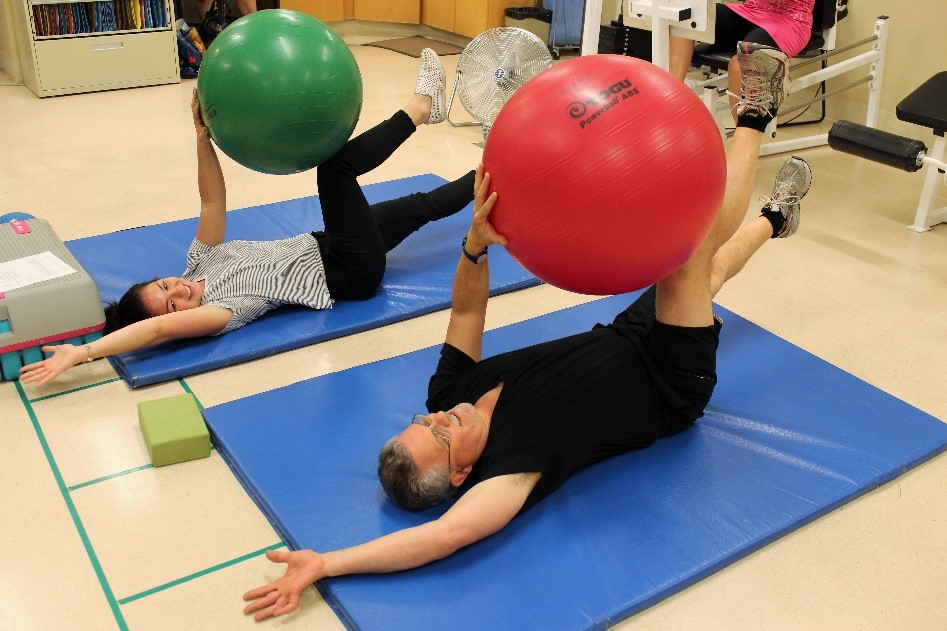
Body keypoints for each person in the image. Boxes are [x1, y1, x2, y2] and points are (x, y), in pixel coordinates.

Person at [241, 44, 812, 620]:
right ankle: (755, 117)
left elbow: (466, 315)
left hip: (621, 337)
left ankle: (774, 219)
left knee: (704, 273)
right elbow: (443, 538)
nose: (439, 418)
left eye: (423, 423)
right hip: (671, 384)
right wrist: (328, 563)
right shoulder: (508, 471)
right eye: (440, 438)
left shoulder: (448, 396)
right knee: (689, 252)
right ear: (462, 473)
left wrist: (474, 246)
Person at [20, 50, 469, 387]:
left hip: (326, 242)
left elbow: (212, 203)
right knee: (334, 170)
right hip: (348, 271)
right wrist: (81, 355)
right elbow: (155, 328)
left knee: (418, 206)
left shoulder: (199, 264)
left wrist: (201, 138)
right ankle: (421, 108)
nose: (178, 293)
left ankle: (498, 176)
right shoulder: (220, 312)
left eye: (164, 287)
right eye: (175, 305)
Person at [668, 0, 815, 120]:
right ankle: (671, 101)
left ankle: (742, 145)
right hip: (750, 11)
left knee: (740, 66)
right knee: (687, 16)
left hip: (790, 20)